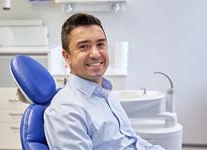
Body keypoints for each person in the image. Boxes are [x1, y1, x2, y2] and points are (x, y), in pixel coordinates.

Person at [44, 13, 165, 150]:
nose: (95, 54)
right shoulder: (66, 111)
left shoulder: (105, 93)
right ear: (67, 57)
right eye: (84, 46)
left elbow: (130, 140)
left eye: (100, 44)